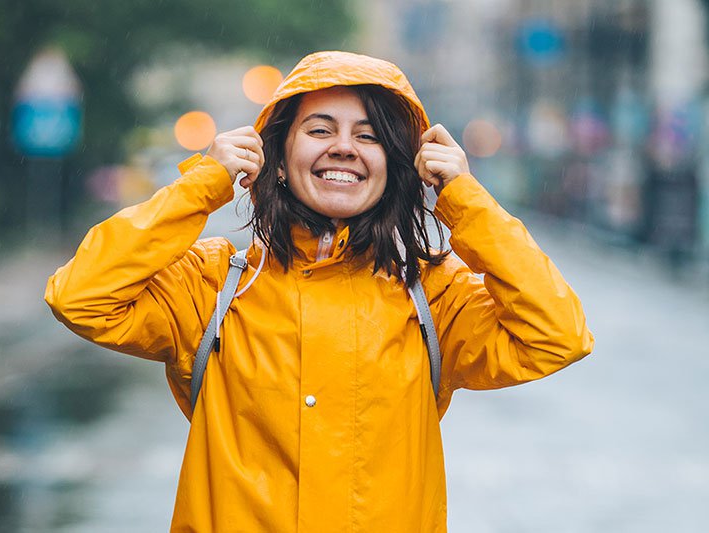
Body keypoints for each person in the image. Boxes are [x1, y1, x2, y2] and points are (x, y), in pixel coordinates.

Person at [45, 51, 594, 532]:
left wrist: (464, 200)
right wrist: (203, 185)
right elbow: (81, 296)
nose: (345, 149)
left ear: (396, 167)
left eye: (370, 136)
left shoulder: (432, 295)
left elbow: (557, 336)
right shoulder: (214, 285)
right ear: (278, 158)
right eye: (320, 129)